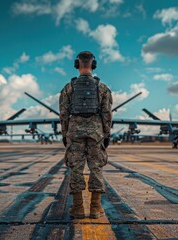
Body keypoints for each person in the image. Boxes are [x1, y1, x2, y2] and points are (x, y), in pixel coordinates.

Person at [59, 51, 113, 219]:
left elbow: (63, 114)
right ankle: (96, 208)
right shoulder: (102, 88)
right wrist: (106, 134)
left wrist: (64, 133)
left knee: (76, 168)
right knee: (96, 168)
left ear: (77, 65)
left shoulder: (69, 87)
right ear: (93, 65)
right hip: (96, 132)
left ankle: (78, 208)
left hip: (74, 132)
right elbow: (107, 114)